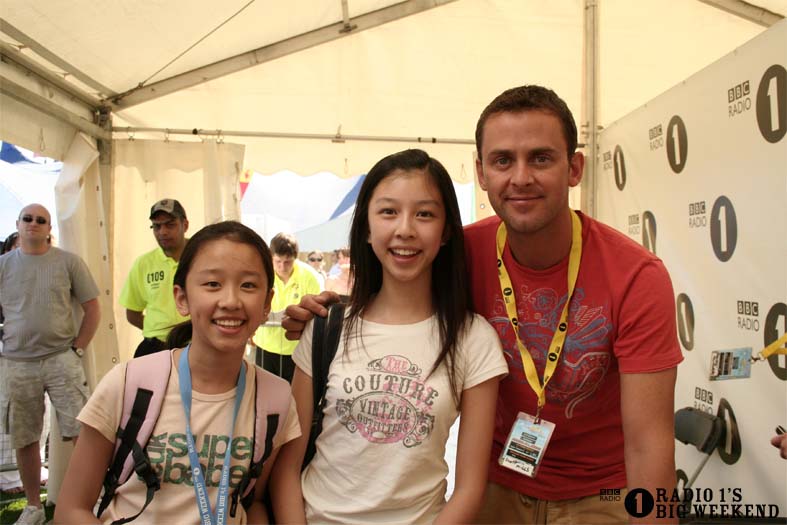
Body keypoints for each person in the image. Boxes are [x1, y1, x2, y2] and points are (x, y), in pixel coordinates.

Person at [283, 86, 682, 524]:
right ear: (481, 171)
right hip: (499, 486)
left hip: (602, 494)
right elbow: (392, 295)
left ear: (575, 167)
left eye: (542, 158)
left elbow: (649, 444)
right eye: (503, 160)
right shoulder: (461, 253)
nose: (521, 177)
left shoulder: (636, 277)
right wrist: (327, 311)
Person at [271, 149, 507, 524]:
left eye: (425, 213)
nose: (405, 229)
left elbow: (469, 489)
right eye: (388, 211)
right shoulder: (327, 327)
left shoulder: (473, 338)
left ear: (446, 231)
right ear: (366, 226)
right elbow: (286, 469)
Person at [55, 221, 301, 525]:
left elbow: (254, 500)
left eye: (248, 285)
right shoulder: (129, 383)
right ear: (182, 298)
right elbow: (71, 510)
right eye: (212, 284)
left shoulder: (275, 399)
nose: (230, 301)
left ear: (266, 304)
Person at [0, 204, 100, 525]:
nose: (33, 224)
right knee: (25, 437)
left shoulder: (69, 262)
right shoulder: (2, 265)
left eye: (40, 220)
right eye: (27, 219)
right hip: (17, 363)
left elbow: (93, 308)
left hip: (62, 359)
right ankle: (34, 508)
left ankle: (94, 499)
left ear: (49, 228)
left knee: (82, 433)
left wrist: (78, 349)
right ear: (17, 225)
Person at [120, 198, 190, 358]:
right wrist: (157, 330)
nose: (163, 232)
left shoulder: (202, 255)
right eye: (157, 226)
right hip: (155, 346)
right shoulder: (143, 264)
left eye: (170, 225)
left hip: (194, 345)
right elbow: (132, 313)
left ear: (185, 225)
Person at [251, 233, 320, 382]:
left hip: (296, 351)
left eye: (288, 262)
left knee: (293, 399)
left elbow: (317, 313)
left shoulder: (310, 277)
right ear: (270, 257)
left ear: (296, 257)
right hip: (265, 347)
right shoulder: (261, 273)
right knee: (264, 396)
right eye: (278, 261)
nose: (282, 267)